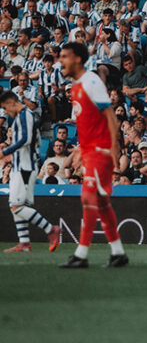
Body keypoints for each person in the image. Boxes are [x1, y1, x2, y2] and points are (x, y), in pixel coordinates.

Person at [58, 42, 128, 269]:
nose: (61, 61)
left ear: (77, 59)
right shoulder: (77, 86)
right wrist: (80, 149)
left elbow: (109, 115)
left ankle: (81, 254)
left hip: (101, 150)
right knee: (100, 201)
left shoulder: (91, 82)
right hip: (90, 150)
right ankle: (118, 252)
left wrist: (114, 150)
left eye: (64, 56)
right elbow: (90, 122)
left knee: (88, 198)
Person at [0, 92, 60, 253]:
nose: (5, 112)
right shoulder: (24, 116)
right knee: (16, 204)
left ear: (12, 102)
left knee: (17, 205)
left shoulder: (26, 114)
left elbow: (26, 139)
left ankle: (50, 229)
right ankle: (24, 243)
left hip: (25, 167)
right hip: (21, 166)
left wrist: (5, 151)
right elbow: (36, 141)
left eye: (5, 107)